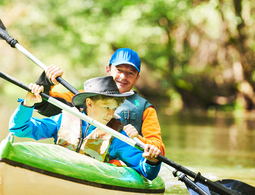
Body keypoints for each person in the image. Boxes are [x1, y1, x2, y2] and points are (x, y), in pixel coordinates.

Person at [9, 76, 162, 180]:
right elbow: (19, 129)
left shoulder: (116, 135)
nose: (111, 114)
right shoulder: (63, 119)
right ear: (89, 103)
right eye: (106, 107)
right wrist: (27, 104)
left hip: (91, 181)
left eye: (113, 108)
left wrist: (151, 161)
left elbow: (145, 172)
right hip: (59, 173)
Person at [32, 48, 165, 155]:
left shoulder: (145, 108)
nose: (123, 77)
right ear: (108, 70)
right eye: (119, 70)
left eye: (131, 73)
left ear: (137, 78)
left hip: (123, 163)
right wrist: (48, 80)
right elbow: (42, 104)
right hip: (89, 157)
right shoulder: (86, 97)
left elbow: (159, 149)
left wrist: (138, 138)